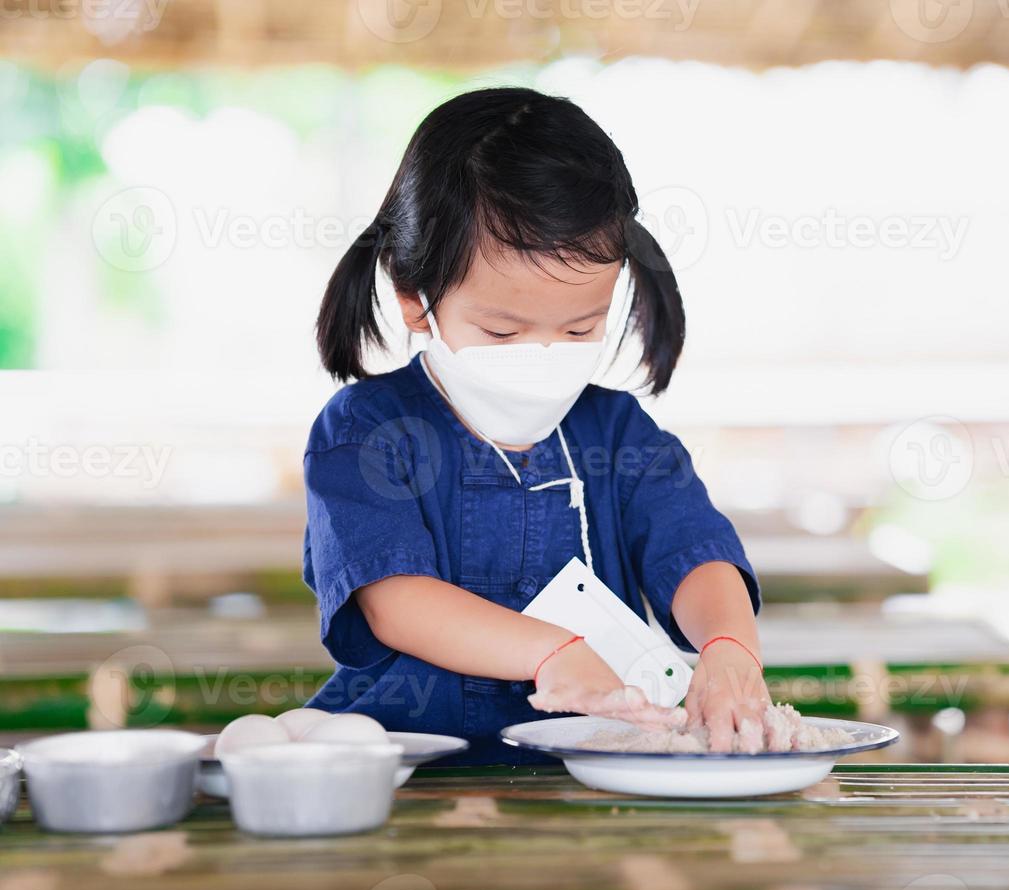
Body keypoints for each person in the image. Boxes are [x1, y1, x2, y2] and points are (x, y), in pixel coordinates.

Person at [302, 88, 768, 764]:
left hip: (586, 778)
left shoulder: (618, 434)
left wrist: (728, 647)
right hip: (409, 776)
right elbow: (393, 600)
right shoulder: (366, 434)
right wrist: (552, 650)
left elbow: (694, 550)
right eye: (501, 330)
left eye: (581, 328)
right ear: (413, 298)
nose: (546, 354)